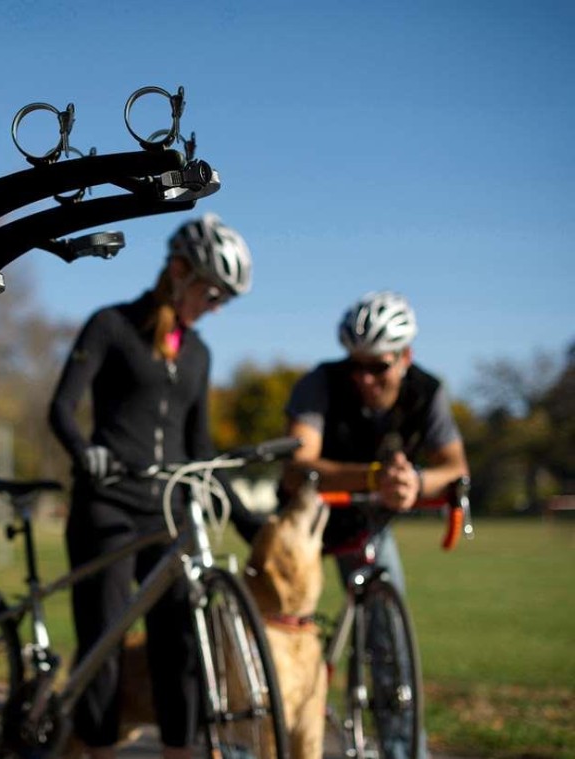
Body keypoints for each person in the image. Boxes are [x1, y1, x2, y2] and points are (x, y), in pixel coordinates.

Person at [48, 213, 259, 759]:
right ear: (180, 271)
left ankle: (180, 750)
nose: (216, 307)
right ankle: (93, 748)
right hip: (108, 506)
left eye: (225, 301)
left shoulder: (199, 354)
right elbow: (63, 408)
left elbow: (201, 453)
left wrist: (245, 519)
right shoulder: (111, 325)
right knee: (105, 642)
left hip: (166, 514)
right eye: (213, 293)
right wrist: (85, 453)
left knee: (180, 641)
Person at [283, 290, 469, 759]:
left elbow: (455, 468)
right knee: (276, 629)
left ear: (405, 357)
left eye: (380, 366)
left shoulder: (427, 391)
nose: (366, 378)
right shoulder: (320, 384)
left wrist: (417, 482)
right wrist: (372, 476)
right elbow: (298, 460)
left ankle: (406, 751)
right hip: (307, 518)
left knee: (390, 644)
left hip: (369, 524)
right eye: (357, 364)